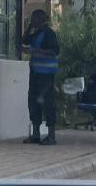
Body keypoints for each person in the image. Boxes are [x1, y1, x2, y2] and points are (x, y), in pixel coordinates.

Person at [21, 9, 60, 145]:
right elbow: (24, 40)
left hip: (46, 75)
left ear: (42, 19)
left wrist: (35, 50)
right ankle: (35, 134)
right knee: (33, 102)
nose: (32, 21)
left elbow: (54, 51)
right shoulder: (37, 33)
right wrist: (29, 27)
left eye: (34, 18)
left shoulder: (49, 34)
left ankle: (51, 136)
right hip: (35, 73)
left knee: (47, 103)